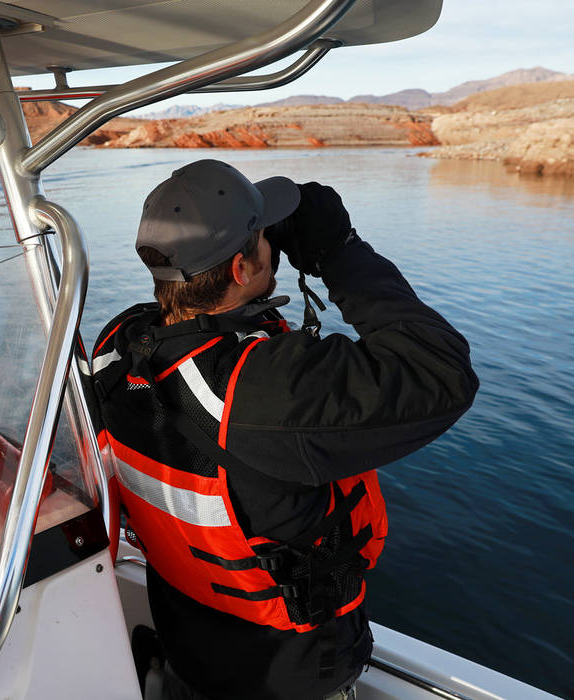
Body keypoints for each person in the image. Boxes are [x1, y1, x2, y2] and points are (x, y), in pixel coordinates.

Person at [89, 160, 478, 699]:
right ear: (241, 270)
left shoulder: (120, 348)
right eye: (261, 237)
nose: (271, 241)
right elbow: (442, 373)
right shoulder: (260, 393)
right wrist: (339, 250)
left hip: (190, 654)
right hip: (287, 678)